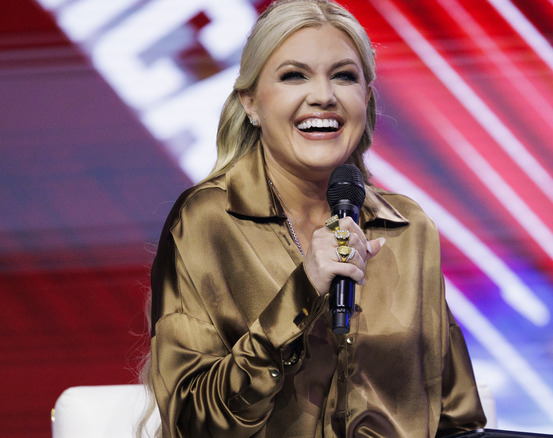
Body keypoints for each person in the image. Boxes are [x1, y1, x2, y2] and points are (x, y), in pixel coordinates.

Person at [144, 0, 486, 436]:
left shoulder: (408, 228)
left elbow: (456, 420)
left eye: (343, 76)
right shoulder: (207, 221)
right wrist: (300, 296)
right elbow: (192, 423)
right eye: (294, 75)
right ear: (250, 102)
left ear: (365, 97)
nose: (323, 95)